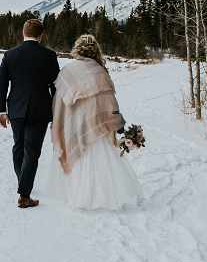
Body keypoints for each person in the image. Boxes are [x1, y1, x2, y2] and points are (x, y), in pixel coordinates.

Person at [45, 34, 141, 210]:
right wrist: (114, 121)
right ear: (96, 50)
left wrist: (60, 121)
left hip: (75, 124)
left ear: (77, 49)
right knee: (98, 162)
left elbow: (58, 101)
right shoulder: (101, 71)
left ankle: (78, 195)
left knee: (81, 161)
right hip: (97, 125)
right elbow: (110, 102)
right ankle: (99, 197)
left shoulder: (68, 71)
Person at [0, 18, 60, 208]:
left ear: (23, 33)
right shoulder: (49, 55)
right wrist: (57, 110)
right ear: (41, 36)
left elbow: (2, 84)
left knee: (18, 146)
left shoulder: (10, 55)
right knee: (32, 150)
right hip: (40, 110)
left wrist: (1, 110)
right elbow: (56, 85)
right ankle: (24, 194)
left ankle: (22, 181)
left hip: (15, 108)